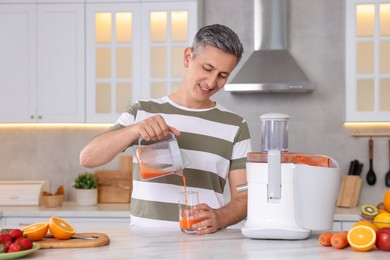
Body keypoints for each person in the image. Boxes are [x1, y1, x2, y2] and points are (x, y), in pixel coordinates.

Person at [80, 24, 252, 234]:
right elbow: (88, 158)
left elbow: (244, 198)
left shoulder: (235, 126)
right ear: (188, 57)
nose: (211, 82)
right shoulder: (142, 111)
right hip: (144, 245)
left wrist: (219, 217)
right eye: (207, 69)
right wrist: (135, 130)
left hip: (205, 245)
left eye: (223, 75)